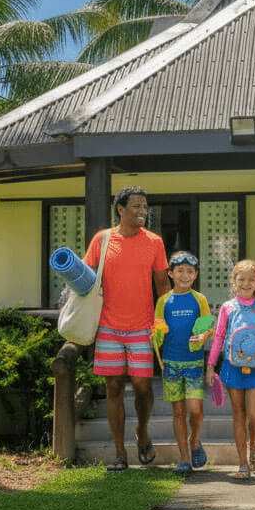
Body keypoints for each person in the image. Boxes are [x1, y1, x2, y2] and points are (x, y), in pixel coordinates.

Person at [83, 185, 170, 472]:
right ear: (121, 209)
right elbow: (86, 279)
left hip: (143, 327)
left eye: (145, 207)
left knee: (143, 386)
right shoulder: (102, 240)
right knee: (114, 387)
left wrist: (165, 324)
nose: (142, 211)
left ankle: (142, 432)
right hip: (108, 326)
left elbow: (163, 286)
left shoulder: (154, 242)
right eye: (136, 206)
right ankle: (120, 453)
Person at [207, 259, 255, 480]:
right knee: (238, 414)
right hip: (232, 366)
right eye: (241, 279)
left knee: (254, 416)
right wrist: (210, 366)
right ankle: (242, 464)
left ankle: (254, 442)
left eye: (251, 279)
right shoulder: (228, 307)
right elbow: (218, 337)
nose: (246, 283)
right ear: (234, 282)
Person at [153, 250, 213, 473]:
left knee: (195, 410)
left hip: (194, 363)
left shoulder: (200, 299)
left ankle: (194, 440)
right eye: (180, 271)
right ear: (170, 273)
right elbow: (158, 332)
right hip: (171, 364)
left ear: (195, 275)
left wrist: (203, 335)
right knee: (178, 412)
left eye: (190, 271)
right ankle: (184, 459)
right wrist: (156, 335)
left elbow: (208, 328)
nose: (185, 275)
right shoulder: (163, 301)